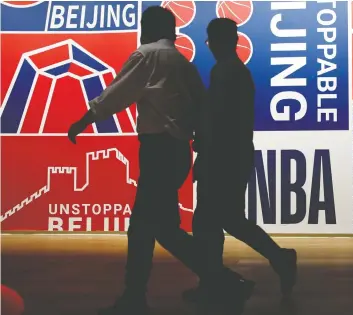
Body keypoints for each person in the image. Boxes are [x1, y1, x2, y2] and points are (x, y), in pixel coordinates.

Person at [67, 7, 243, 315]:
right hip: (177, 152)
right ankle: (219, 281)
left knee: (149, 229)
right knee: (158, 228)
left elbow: (115, 95)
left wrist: (83, 120)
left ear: (147, 28)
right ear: (172, 31)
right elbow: (202, 106)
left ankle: (215, 281)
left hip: (158, 152)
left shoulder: (146, 56)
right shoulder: (181, 62)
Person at [189, 18, 298, 310]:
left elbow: (220, 122)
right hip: (234, 156)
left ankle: (217, 282)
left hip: (223, 157)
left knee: (210, 222)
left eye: (210, 41)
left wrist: (204, 153)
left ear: (215, 42)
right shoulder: (235, 72)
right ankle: (271, 261)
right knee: (223, 220)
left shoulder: (225, 72)